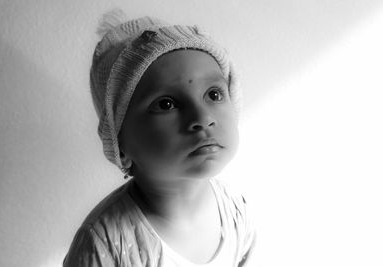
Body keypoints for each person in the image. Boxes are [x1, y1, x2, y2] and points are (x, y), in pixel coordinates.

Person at [63, 8, 255, 267]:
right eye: (166, 104)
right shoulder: (106, 243)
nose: (203, 116)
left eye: (214, 94)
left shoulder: (235, 212)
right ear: (121, 143)